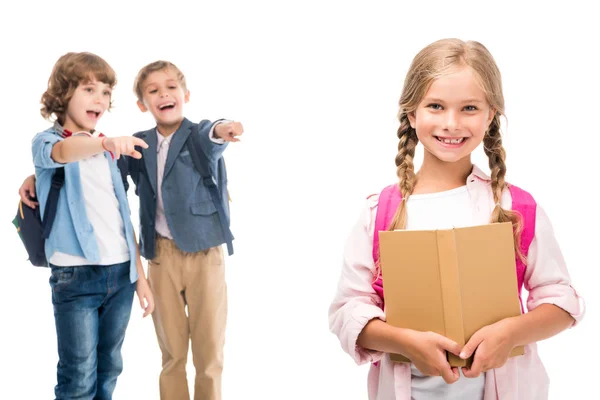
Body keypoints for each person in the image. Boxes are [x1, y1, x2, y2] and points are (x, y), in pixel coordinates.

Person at [328, 38, 584, 400]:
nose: (452, 123)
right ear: (412, 114)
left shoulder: (514, 208)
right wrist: (403, 340)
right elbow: (347, 310)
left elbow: (562, 301)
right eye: (435, 106)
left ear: (490, 114)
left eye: (468, 108)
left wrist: (510, 333)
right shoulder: (380, 213)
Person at [30, 51, 154, 399]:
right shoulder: (47, 142)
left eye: (105, 92)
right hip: (76, 276)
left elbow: (121, 216)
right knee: (78, 375)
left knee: (109, 367)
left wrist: (140, 278)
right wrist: (104, 143)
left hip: (121, 275)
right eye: (89, 89)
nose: (99, 99)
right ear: (63, 94)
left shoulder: (107, 152)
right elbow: (65, 153)